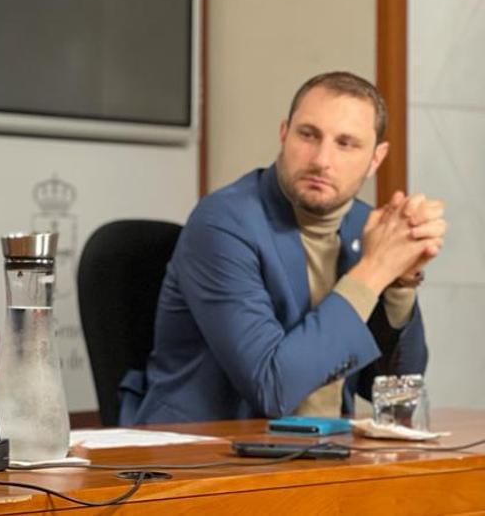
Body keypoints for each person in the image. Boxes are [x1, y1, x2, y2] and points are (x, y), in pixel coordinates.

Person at [120, 71, 445, 424]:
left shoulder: (364, 228)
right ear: (284, 133)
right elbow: (272, 387)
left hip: (325, 452)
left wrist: (401, 282)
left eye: (346, 143)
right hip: (205, 456)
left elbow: (394, 393)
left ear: (375, 159)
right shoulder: (223, 223)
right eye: (308, 135)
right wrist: (376, 269)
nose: (322, 160)